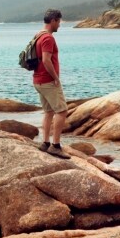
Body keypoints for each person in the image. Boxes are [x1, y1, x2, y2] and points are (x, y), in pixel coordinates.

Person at [33, 8, 70, 159]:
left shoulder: (38, 35)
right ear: (53, 20)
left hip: (38, 80)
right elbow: (46, 60)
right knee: (62, 111)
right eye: (59, 22)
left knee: (48, 112)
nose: (59, 25)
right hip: (48, 81)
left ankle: (45, 143)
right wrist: (55, 77)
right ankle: (56, 145)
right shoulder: (48, 38)